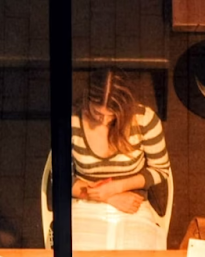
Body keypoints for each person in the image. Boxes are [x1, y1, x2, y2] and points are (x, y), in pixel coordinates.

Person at [71, 69, 170, 221]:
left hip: (133, 201)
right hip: (84, 201)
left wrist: (116, 187)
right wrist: (107, 197)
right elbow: (58, 178)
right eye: (97, 112)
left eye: (112, 115)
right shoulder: (70, 121)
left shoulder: (144, 119)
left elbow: (161, 170)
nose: (103, 121)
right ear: (88, 100)